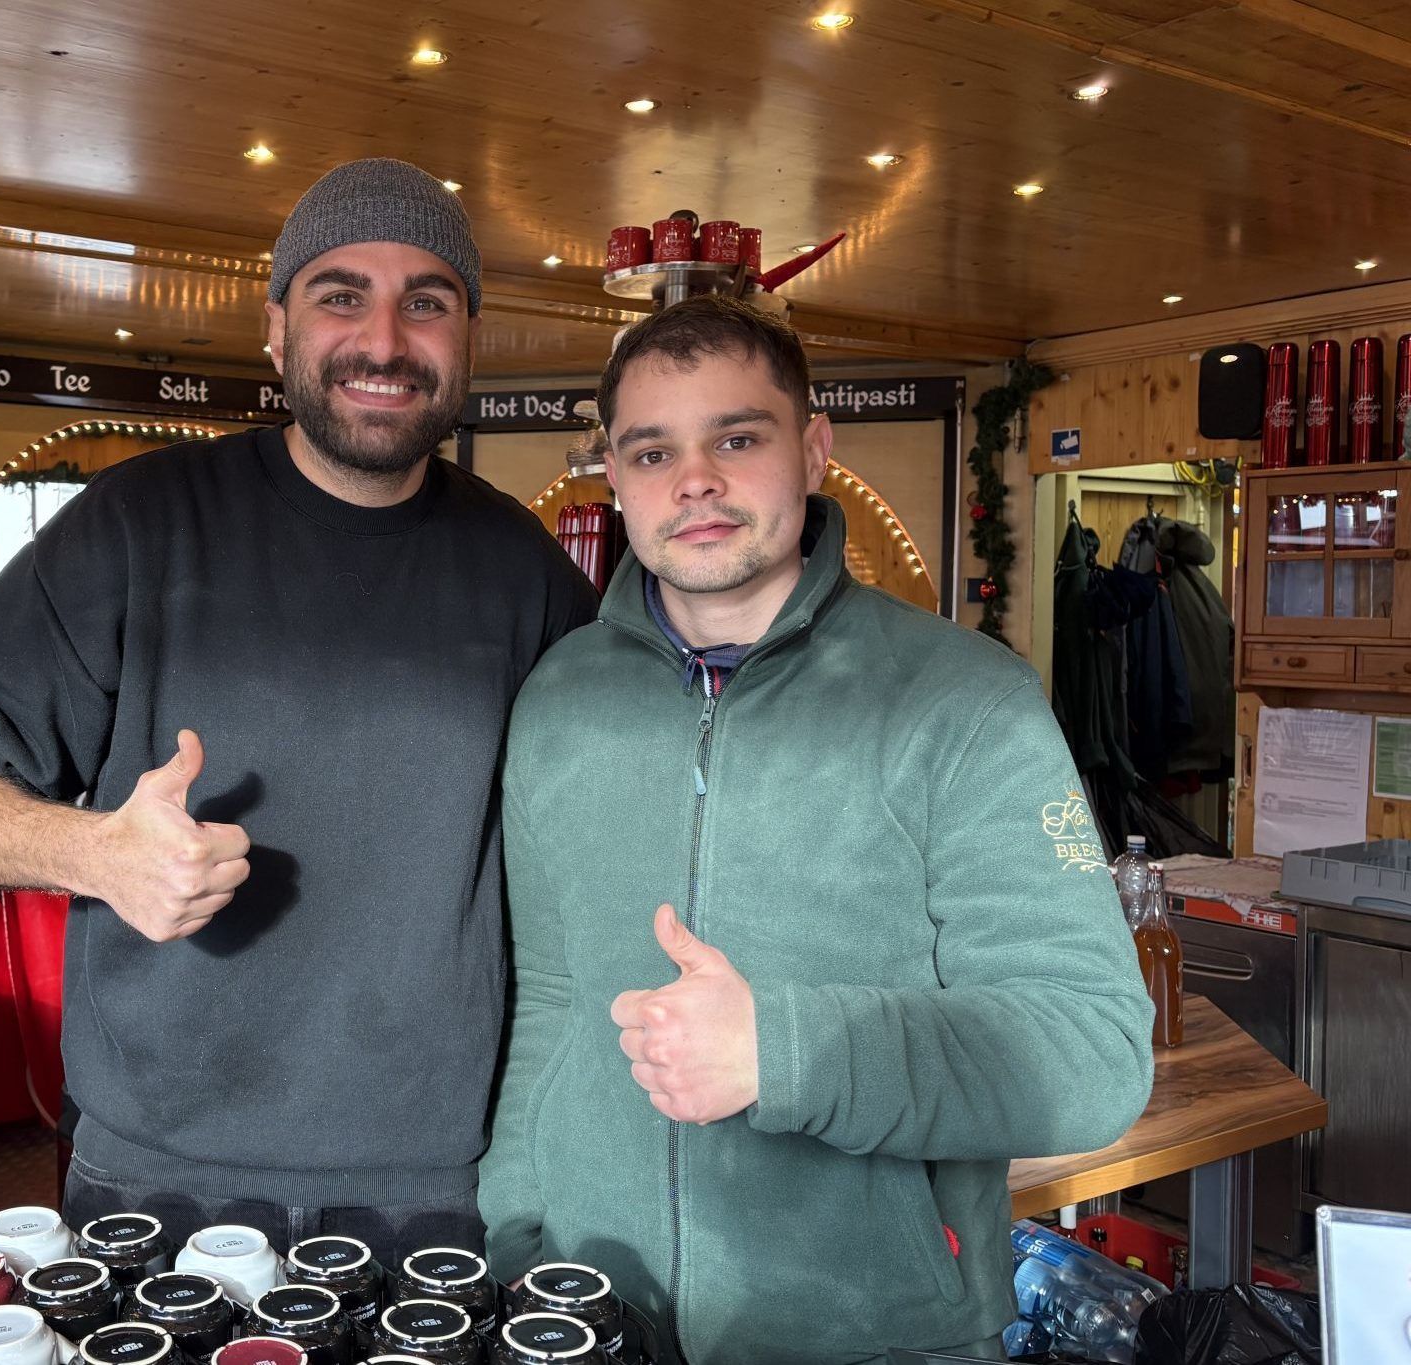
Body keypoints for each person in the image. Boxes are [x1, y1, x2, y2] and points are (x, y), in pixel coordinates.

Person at [0, 158, 598, 1259]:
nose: (383, 338)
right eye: (338, 295)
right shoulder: (138, 525)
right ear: (276, 331)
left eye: (426, 301)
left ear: (465, 339)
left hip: (441, 1173)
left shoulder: (524, 569)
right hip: (159, 1166)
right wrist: (95, 852)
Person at [478, 294, 1154, 1364]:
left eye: (735, 439)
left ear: (812, 449)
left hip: (877, 1330)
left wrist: (785, 1051)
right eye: (651, 452)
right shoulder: (558, 697)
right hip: (587, 1316)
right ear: (611, 474)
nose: (692, 481)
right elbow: (550, 996)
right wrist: (516, 1230)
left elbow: (1090, 1055)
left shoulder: (964, 701)